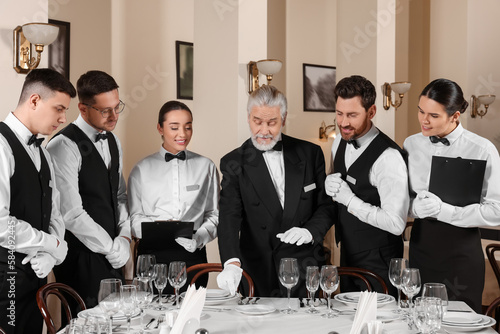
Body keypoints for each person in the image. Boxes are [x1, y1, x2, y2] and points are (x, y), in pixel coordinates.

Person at [216, 85, 335, 298]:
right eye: (257, 121)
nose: (264, 131)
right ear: (248, 117)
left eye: (272, 123)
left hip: (304, 265)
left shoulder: (310, 153)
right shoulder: (233, 162)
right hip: (258, 269)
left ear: (284, 118)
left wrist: (310, 231)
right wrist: (231, 262)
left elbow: (325, 205)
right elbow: (228, 217)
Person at [404, 78, 500, 312]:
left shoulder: (482, 149)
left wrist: (444, 211)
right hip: (421, 247)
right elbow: (399, 199)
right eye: (421, 111)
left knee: (461, 321)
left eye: (434, 116)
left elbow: (496, 210)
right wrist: (415, 208)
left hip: (461, 253)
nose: (424, 120)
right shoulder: (410, 144)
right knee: (419, 319)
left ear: (455, 116)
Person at [47, 70, 131, 309]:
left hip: (113, 252)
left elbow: (120, 195)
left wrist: (124, 237)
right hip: (80, 258)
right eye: (105, 110)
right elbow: (71, 213)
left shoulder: (113, 140)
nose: (114, 116)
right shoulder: (63, 146)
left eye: (117, 107)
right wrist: (111, 247)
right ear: (83, 109)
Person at [0, 68, 75, 334]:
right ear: (34, 100)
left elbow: (54, 213)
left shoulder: (43, 153)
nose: (64, 118)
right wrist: (52, 244)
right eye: (59, 108)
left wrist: (50, 256)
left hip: (37, 279)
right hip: (4, 281)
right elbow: (1, 225)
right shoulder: (1, 146)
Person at [324, 75, 409, 296]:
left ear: (371, 112)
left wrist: (350, 200)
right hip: (348, 253)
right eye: (339, 113)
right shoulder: (338, 141)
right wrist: (328, 183)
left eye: (352, 115)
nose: (343, 122)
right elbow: (337, 184)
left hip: (380, 262)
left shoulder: (388, 157)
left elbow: (396, 223)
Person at [128, 100, 219, 292]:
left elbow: (214, 214)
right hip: (152, 257)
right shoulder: (141, 169)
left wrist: (200, 238)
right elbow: (135, 216)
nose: (183, 134)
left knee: (191, 315)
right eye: (174, 127)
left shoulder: (207, 166)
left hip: (192, 254)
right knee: (153, 316)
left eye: (188, 127)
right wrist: (158, 231)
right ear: (160, 128)